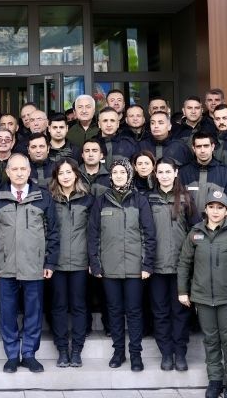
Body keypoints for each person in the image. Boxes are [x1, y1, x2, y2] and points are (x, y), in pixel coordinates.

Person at [0, 155, 60, 374]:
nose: (19, 173)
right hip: (6, 266)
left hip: (34, 266)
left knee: (33, 312)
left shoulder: (43, 197)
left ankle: (29, 354)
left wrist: (50, 261)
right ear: (7, 172)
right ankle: (12, 355)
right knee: (7, 313)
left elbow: (53, 232)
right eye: (15, 169)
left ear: (29, 171)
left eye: (23, 169)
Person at [179, 190, 227, 398]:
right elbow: (184, 263)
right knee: (211, 340)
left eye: (220, 207)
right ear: (205, 209)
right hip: (203, 298)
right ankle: (215, 381)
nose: (215, 211)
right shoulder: (195, 233)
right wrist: (183, 291)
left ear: (226, 210)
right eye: (211, 207)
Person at [87, 156, 156, 371]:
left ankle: (136, 354)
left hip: (135, 269)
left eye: (122, 172)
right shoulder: (101, 201)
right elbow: (93, 235)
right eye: (115, 172)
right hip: (109, 269)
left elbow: (148, 234)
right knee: (114, 311)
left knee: (134, 312)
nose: (118, 176)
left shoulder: (140, 200)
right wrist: (95, 264)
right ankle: (118, 352)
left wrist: (147, 265)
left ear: (129, 175)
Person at [147, 160, 192, 371]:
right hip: (156, 267)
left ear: (175, 173)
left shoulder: (186, 198)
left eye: (168, 171)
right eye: (160, 172)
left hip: (180, 267)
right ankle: (166, 353)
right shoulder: (148, 199)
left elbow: (194, 231)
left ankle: (180, 353)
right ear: (155, 175)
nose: (164, 175)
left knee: (180, 312)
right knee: (160, 312)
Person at [48, 159, 92, 368]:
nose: (65, 176)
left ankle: (77, 350)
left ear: (76, 174)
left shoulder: (88, 199)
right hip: (56, 263)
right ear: (56, 177)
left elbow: (93, 232)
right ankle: (62, 350)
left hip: (80, 263)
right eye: (61, 173)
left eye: (68, 172)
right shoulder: (50, 199)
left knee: (79, 307)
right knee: (58, 307)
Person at [180, 133, 227, 213]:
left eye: (206, 146)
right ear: (193, 148)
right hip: (189, 221)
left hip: (216, 220)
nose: (202, 150)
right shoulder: (183, 173)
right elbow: (178, 203)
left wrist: (214, 218)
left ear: (212, 147)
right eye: (198, 146)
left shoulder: (225, 173)